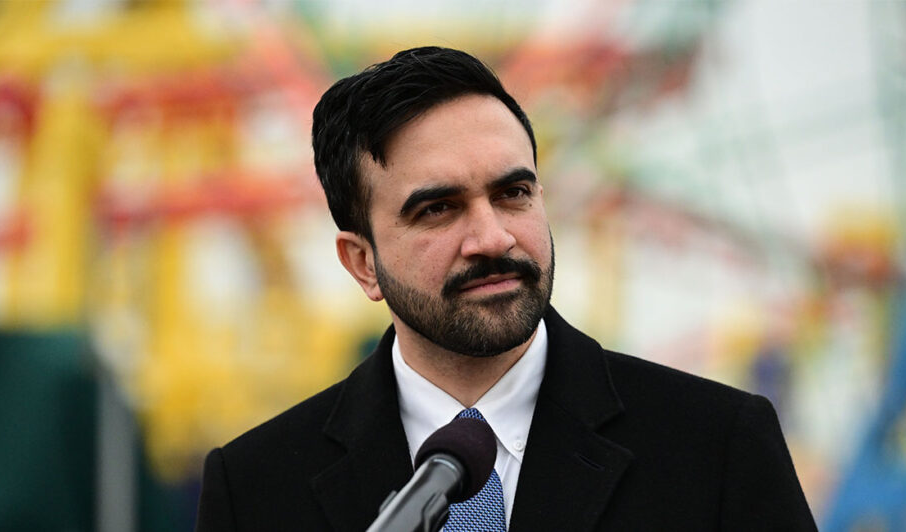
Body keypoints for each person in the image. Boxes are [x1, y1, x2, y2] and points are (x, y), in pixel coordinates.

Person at [195, 46, 816, 531]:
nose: (492, 237)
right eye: (438, 209)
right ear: (362, 264)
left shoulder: (715, 446)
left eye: (513, 193)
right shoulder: (255, 487)